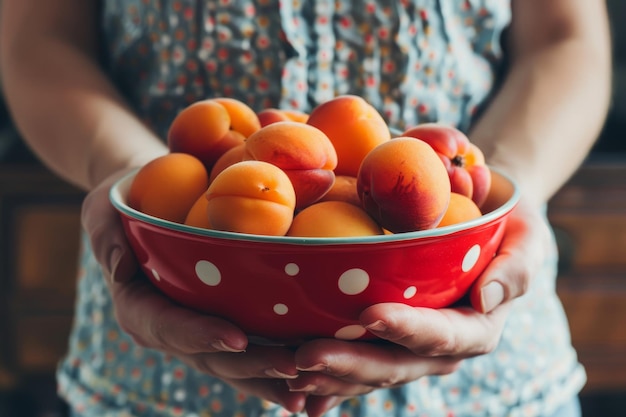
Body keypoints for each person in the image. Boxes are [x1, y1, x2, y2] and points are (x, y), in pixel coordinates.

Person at [0, 0, 611, 416]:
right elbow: (39, 40)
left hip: (486, 365)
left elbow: (566, 38)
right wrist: (129, 179)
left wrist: (504, 189)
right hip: (154, 365)